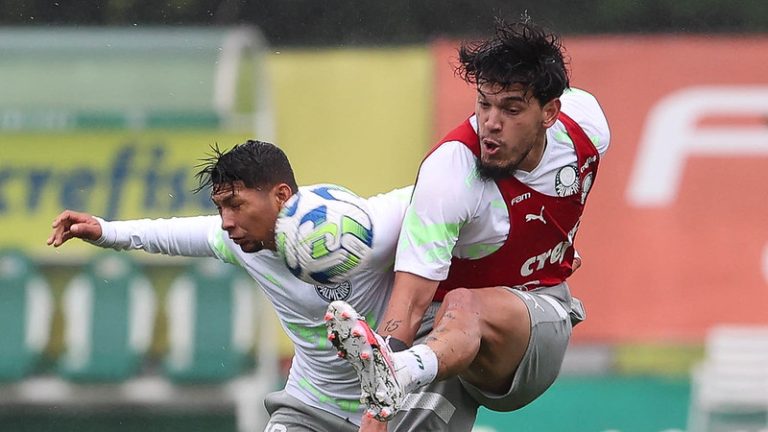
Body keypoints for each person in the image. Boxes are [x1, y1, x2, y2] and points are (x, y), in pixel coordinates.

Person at [46, 140, 479, 432]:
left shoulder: (366, 224)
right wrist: (103, 230)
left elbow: (441, 189)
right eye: (220, 207)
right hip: (313, 405)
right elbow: (171, 233)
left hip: (398, 403)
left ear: (281, 194)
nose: (227, 222)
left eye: (235, 204)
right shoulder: (241, 244)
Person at [326, 16, 611, 425]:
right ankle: (400, 374)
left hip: (538, 322)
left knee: (463, 302)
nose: (490, 124)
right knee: (445, 319)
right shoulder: (450, 173)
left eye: (511, 109)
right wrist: (378, 399)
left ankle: (403, 372)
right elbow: (408, 305)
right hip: (447, 338)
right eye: (483, 103)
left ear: (550, 113)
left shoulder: (587, 126)